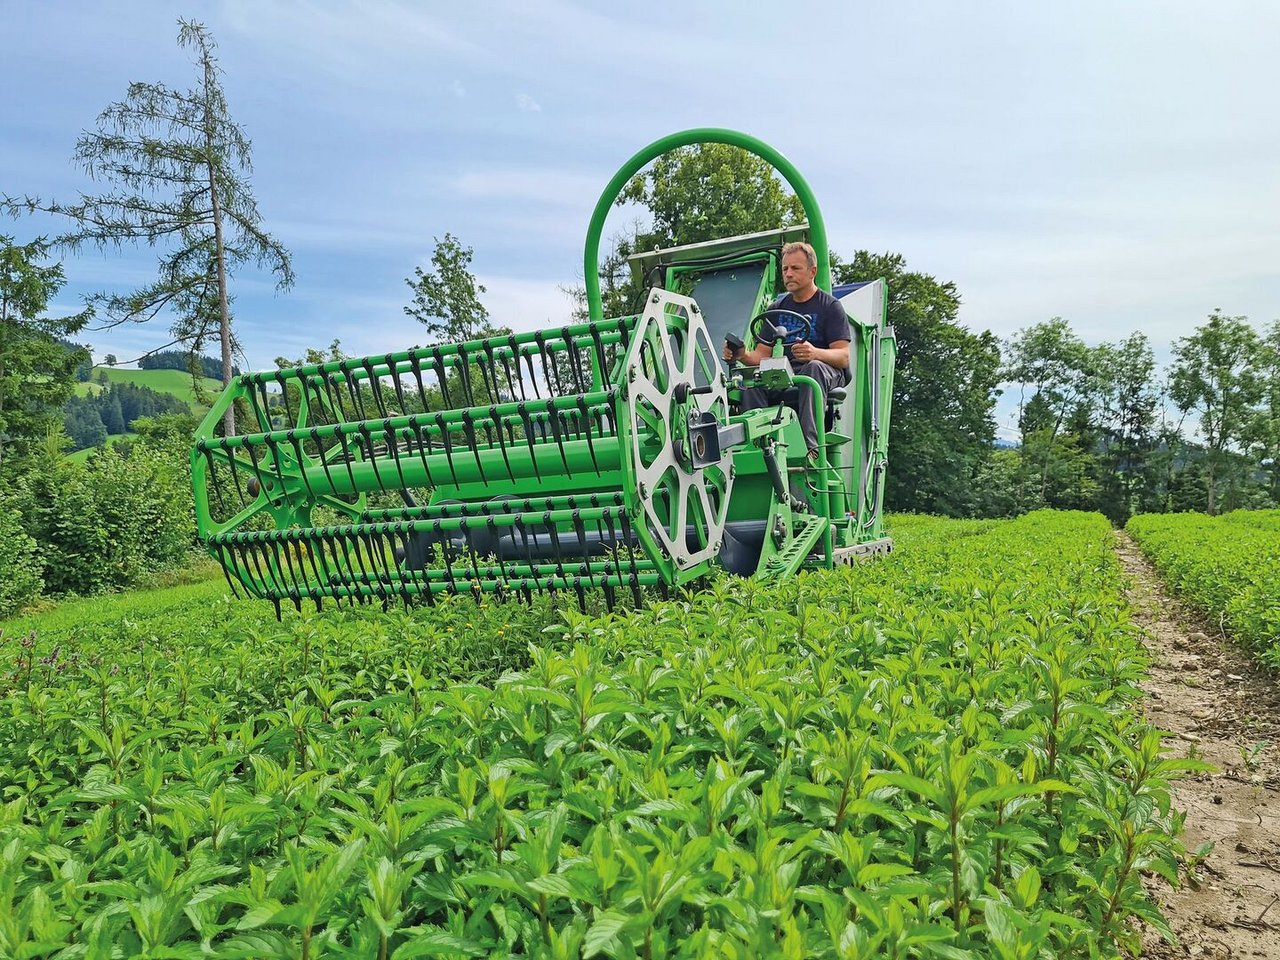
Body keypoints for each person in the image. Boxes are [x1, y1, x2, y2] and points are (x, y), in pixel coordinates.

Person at [721, 241, 851, 461]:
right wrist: (741, 355)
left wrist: (815, 353)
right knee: (752, 382)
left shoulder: (830, 306)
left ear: (812, 271)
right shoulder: (776, 309)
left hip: (822, 372)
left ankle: (810, 446)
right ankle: (759, 446)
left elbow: (843, 356)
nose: (788, 274)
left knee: (813, 369)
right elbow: (761, 356)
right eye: (785, 269)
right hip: (785, 373)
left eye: (795, 268)